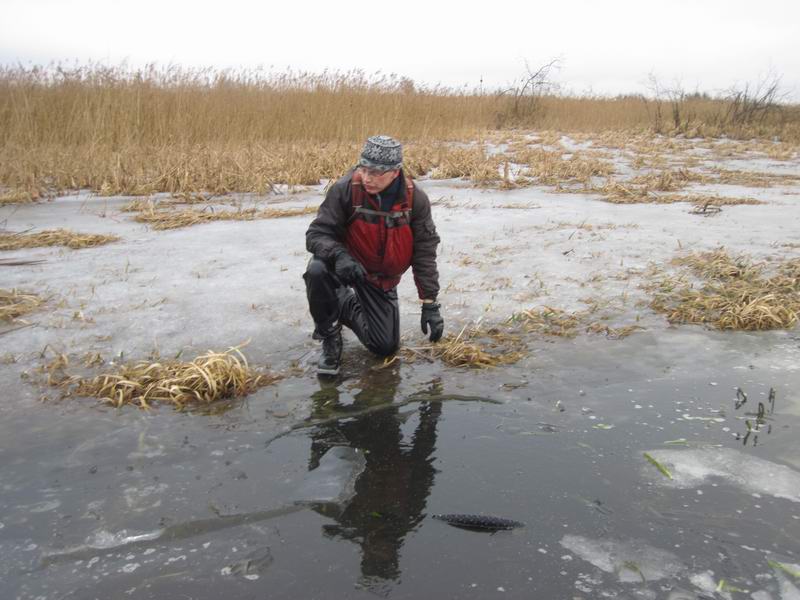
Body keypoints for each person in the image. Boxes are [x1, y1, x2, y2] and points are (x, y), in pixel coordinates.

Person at [304, 135, 444, 375]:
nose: (367, 178)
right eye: (364, 168)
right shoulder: (346, 190)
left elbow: (424, 252)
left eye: (377, 172)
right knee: (317, 271)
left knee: (384, 347)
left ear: (395, 172)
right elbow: (316, 234)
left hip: (380, 279)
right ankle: (329, 336)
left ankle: (343, 302)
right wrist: (339, 256)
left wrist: (429, 303)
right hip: (344, 268)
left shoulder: (414, 199)